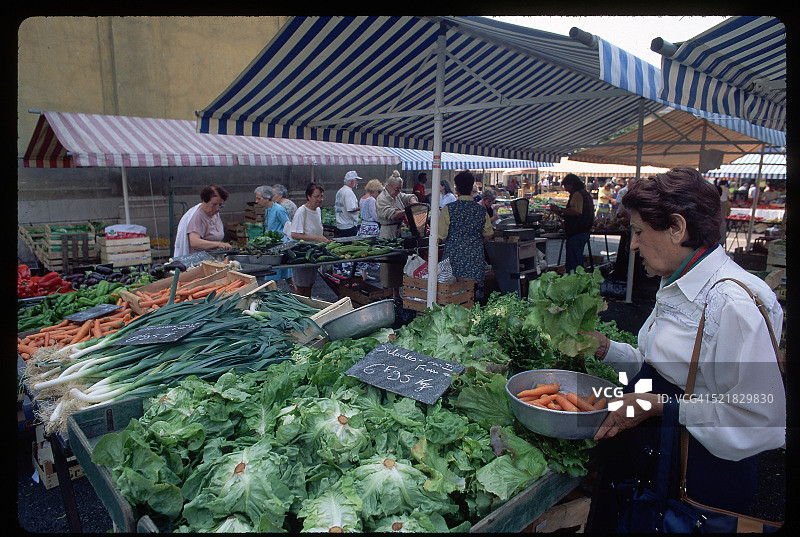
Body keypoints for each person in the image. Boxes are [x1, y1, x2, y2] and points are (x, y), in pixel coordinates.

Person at [582, 166, 785, 532]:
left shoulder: (731, 302)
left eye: (640, 232)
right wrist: (607, 349)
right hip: (653, 457)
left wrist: (656, 405)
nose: (634, 245)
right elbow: (665, 368)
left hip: (697, 478)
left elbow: (759, 415)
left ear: (676, 228)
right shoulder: (678, 279)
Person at [439, 171, 493, 300]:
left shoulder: (449, 209)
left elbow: (441, 235)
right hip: (475, 260)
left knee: (452, 298)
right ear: (471, 188)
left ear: (456, 187)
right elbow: (489, 234)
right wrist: (476, 242)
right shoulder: (480, 210)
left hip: (453, 262)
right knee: (473, 299)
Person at [376, 170, 418, 299]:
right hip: (387, 234)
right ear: (388, 186)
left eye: (400, 189)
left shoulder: (398, 195)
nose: (398, 191)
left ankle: (396, 293)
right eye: (396, 189)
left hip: (399, 233)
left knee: (399, 264)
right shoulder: (382, 198)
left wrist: (412, 201)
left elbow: (408, 196)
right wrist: (408, 210)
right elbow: (392, 214)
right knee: (388, 265)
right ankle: (387, 294)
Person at [289, 183, 332, 297]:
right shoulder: (302, 211)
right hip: (303, 254)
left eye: (322, 196)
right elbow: (294, 234)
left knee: (310, 284)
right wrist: (317, 238)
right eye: (316, 196)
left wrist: (323, 240)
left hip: (314, 253)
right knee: (302, 287)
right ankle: (300, 308)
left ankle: (308, 306)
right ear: (308, 196)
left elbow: (316, 230)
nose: (320, 199)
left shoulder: (317, 210)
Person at [549, 174, 594, 274]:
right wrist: (560, 212)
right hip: (582, 231)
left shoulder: (578, 194)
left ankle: (575, 283)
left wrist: (559, 209)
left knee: (574, 263)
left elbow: (576, 212)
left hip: (577, 232)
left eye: (566, 186)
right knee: (576, 260)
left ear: (572, 184)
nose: (566, 189)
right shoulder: (585, 194)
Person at [174, 184, 234, 257]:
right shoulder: (198, 216)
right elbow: (194, 241)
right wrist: (218, 244)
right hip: (200, 259)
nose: (217, 209)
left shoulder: (214, 213)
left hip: (215, 256)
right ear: (204, 201)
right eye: (214, 205)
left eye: (220, 205)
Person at [254, 185, 295, 292]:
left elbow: (287, 227)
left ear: (267, 198)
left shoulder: (279, 209)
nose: (257, 201)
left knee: (273, 275)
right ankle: (295, 292)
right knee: (285, 275)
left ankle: (273, 295)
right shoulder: (268, 209)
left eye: (259, 199)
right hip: (272, 247)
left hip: (279, 247)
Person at [354, 179, 383, 280]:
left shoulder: (362, 198)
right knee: (372, 250)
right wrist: (382, 219)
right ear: (374, 189)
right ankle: (366, 274)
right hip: (371, 227)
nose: (378, 193)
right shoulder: (371, 200)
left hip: (363, 226)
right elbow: (374, 216)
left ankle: (364, 273)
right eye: (378, 191)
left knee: (363, 249)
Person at [335, 171, 361, 237]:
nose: (357, 183)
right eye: (356, 181)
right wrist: (361, 208)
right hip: (349, 226)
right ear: (352, 181)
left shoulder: (340, 191)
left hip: (340, 225)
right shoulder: (349, 192)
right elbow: (351, 208)